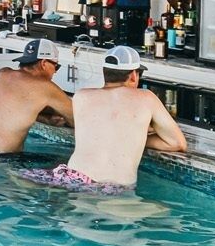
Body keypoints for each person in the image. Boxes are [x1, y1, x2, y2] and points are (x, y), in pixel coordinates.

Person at [22, 46, 186, 191]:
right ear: (134, 76)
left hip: (70, 177)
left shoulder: (81, 97)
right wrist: (137, 138)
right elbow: (177, 143)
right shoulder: (147, 98)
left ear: (105, 74)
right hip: (111, 187)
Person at [0, 39, 74, 155]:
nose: (55, 72)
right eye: (56, 66)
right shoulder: (46, 87)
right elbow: (75, 118)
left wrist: (43, 118)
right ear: (43, 63)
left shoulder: (3, 74)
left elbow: (9, 108)